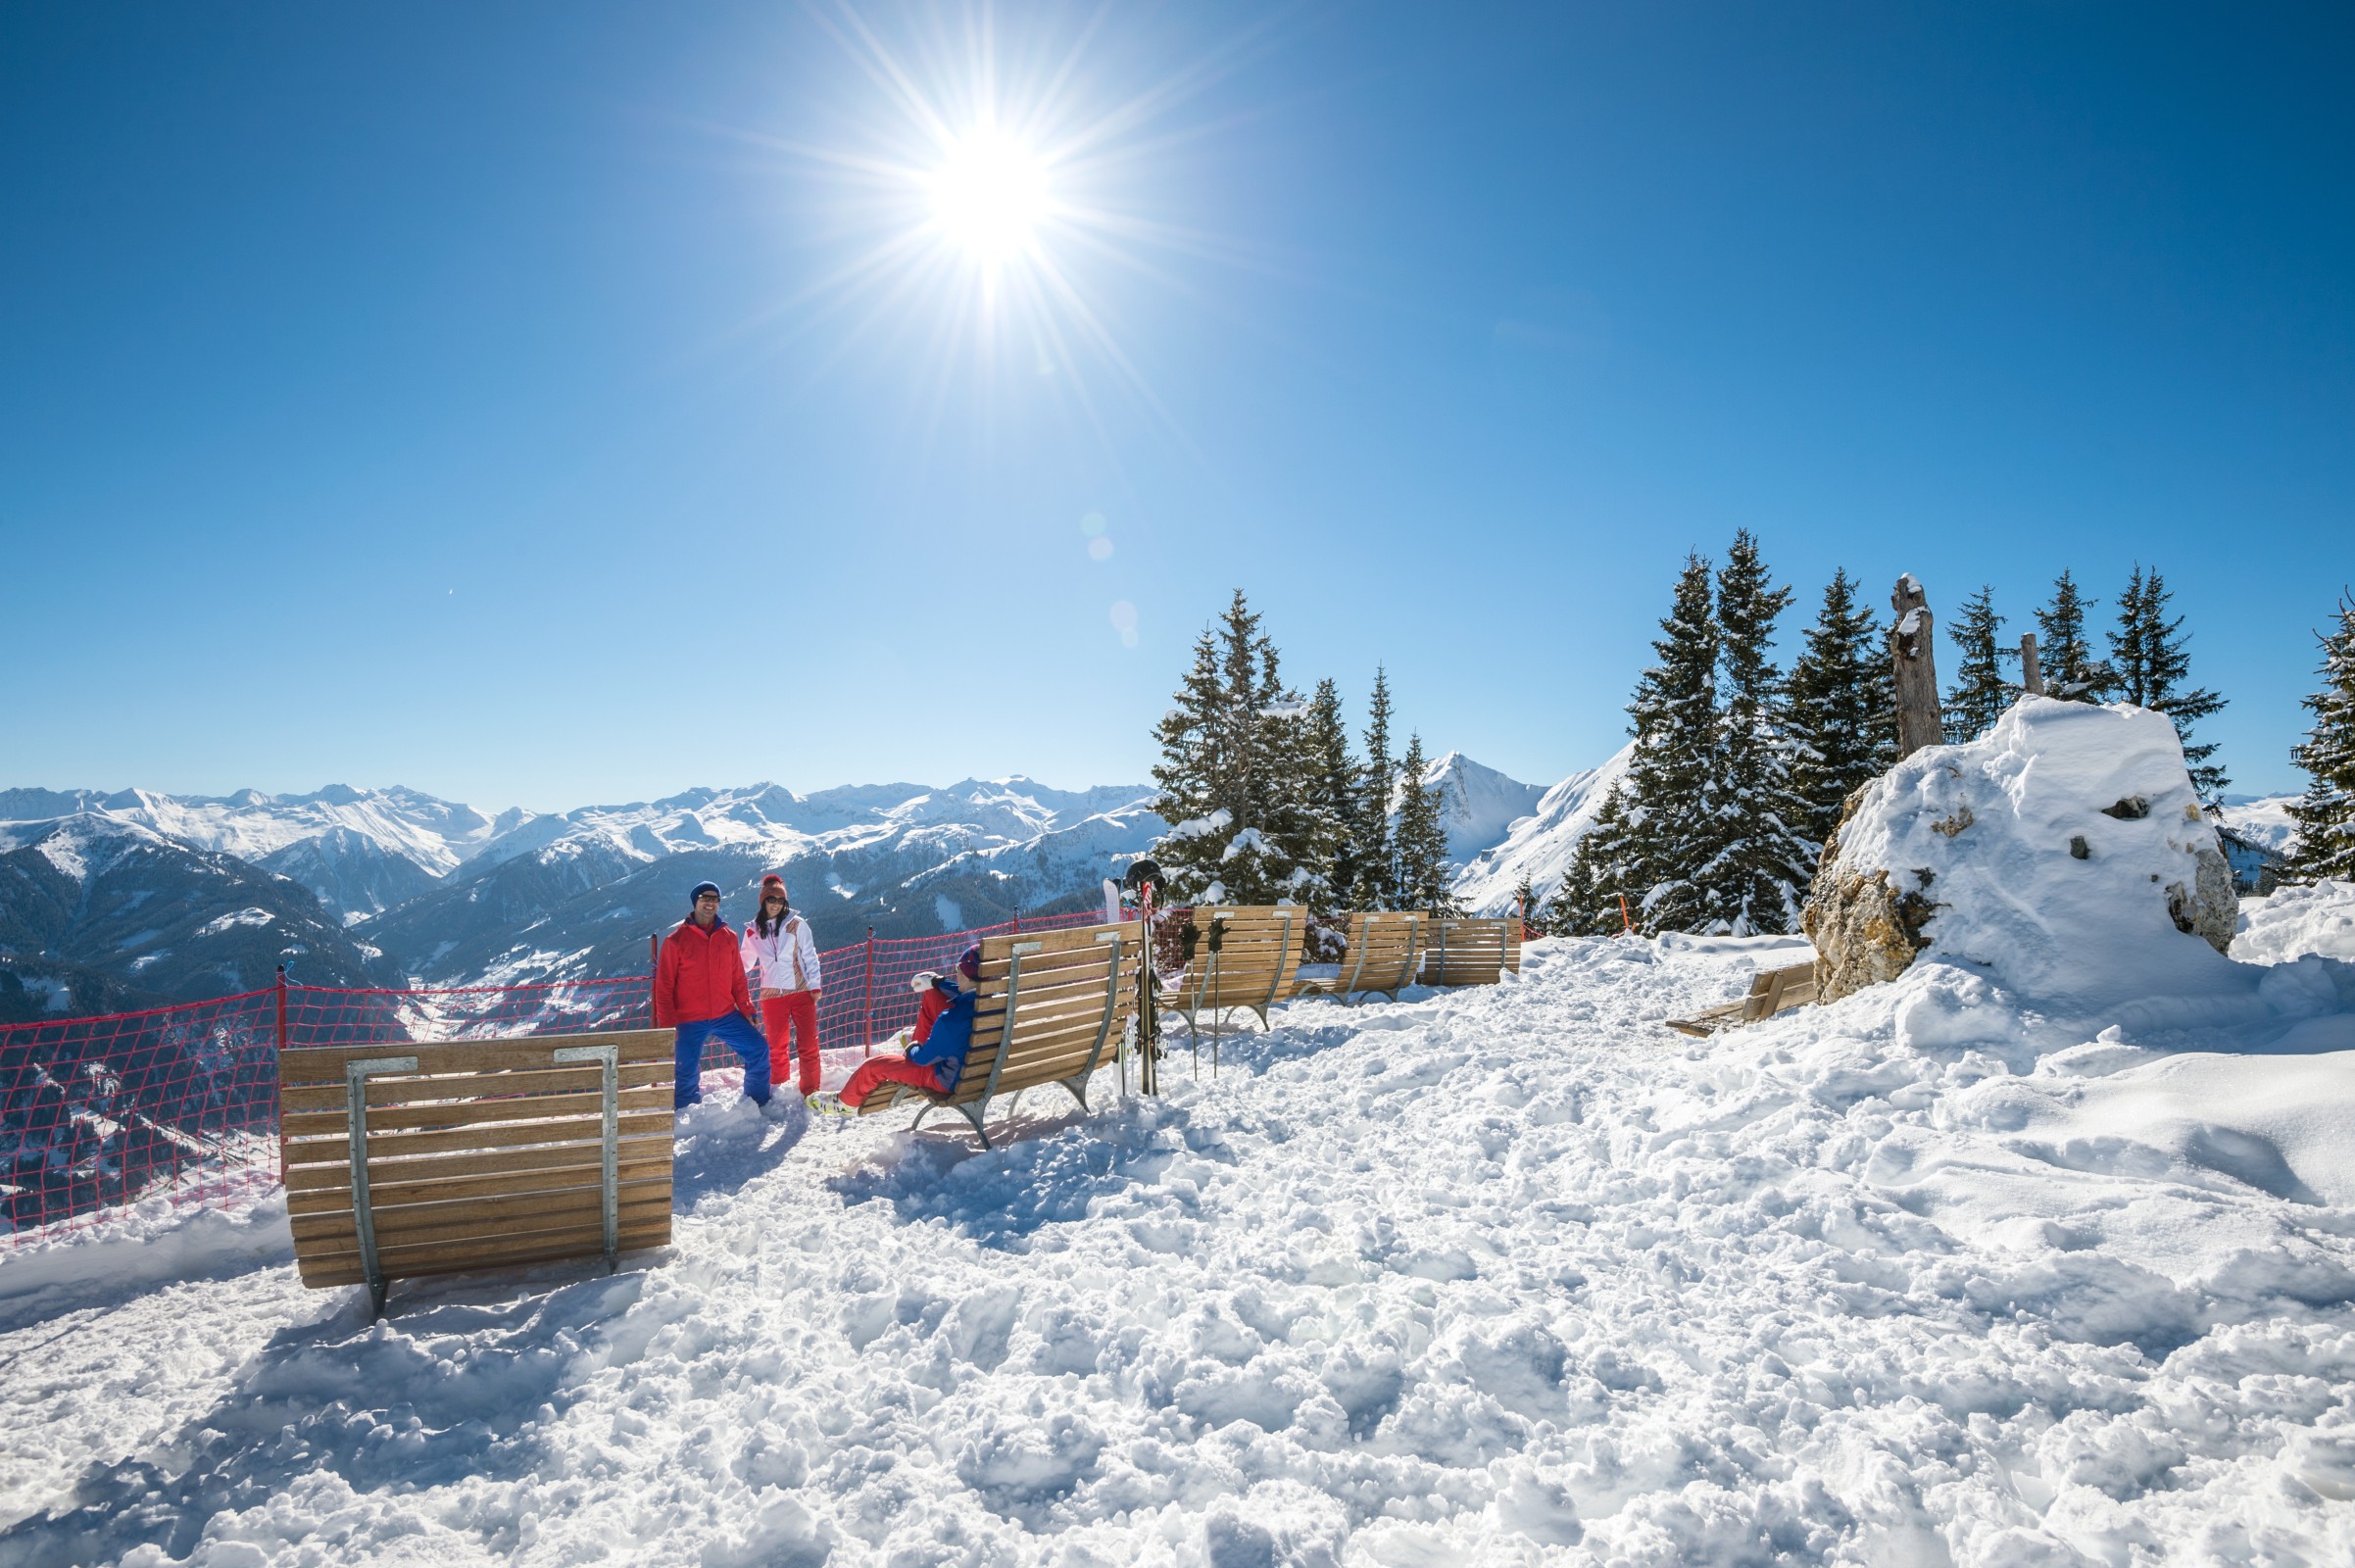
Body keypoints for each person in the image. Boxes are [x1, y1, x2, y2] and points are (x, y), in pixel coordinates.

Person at [815, 946, 981, 1112]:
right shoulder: (993, 999)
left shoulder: (950, 1020)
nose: (956, 973)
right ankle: (922, 1045)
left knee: (873, 1066)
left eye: (958, 968)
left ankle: (846, 1103)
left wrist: (912, 1049)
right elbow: (965, 993)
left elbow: (922, 1059)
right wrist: (938, 981)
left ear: (966, 974)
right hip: (977, 1069)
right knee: (933, 994)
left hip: (946, 1080)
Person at [656, 881, 770, 1110]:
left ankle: (757, 1105)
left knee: (759, 1050)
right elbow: (664, 986)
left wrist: (746, 1008)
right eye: (705, 898)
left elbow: (737, 978)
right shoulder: (675, 941)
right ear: (695, 902)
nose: (710, 903)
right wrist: (668, 1024)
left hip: (725, 1014)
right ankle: (687, 1115)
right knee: (686, 1071)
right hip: (688, 1018)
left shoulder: (728, 937)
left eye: (715, 899)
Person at [740, 873, 823, 1097]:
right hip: (771, 995)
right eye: (771, 899)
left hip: (800, 991)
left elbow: (810, 955)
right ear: (763, 901)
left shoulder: (797, 924)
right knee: (776, 1047)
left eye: (780, 900)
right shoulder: (753, 931)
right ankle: (778, 1089)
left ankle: (811, 1091)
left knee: (808, 1044)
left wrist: (815, 985)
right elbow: (744, 963)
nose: (776, 904)